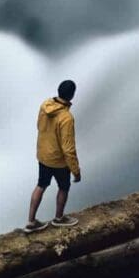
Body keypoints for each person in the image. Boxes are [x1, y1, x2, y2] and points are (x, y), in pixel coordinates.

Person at [25, 79, 81, 232]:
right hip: (58, 161)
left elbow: (39, 126)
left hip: (43, 155)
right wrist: (76, 170)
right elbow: (68, 148)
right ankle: (59, 218)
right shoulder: (66, 118)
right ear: (72, 95)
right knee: (64, 187)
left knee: (41, 185)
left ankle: (31, 221)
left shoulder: (45, 106)